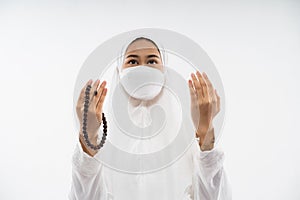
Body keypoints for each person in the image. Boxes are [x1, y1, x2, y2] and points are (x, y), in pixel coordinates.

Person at [68, 37, 232, 200]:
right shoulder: (102, 145)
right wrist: (87, 137)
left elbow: (216, 196)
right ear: (119, 71)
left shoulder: (186, 142)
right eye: (132, 61)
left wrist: (206, 130)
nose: (142, 67)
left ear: (164, 71)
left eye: (152, 61)